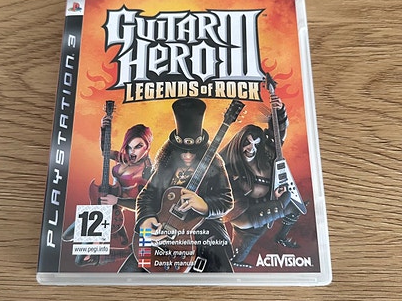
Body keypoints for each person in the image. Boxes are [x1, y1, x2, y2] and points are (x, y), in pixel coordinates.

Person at [119, 97, 234, 273]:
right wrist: (146, 220)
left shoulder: (215, 163)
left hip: (203, 231)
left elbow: (226, 200)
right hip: (160, 229)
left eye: (193, 152)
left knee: (221, 280)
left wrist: (205, 205)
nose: (187, 156)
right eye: (182, 152)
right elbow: (147, 195)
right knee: (126, 276)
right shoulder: (166, 164)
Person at [220, 94, 303, 266]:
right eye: (248, 143)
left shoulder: (266, 156)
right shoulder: (228, 170)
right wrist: (279, 205)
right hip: (248, 221)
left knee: (296, 206)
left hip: (268, 207)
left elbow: (277, 136)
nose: (251, 148)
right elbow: (240, 218)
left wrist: (279, 112)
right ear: (239, 143)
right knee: (236, 258)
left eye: (256, 144)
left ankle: (280, 236)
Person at [63, 120, 153, 266]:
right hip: (103, 206)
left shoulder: (147, 171)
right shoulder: (124, 157)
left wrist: (117, 201)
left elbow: (144, 205)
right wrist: (104, 129)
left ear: (147, 146)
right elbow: (105, 152)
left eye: (138, 146)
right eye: (129, 146)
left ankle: (129, 252)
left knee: (82, 259)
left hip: (117, 212)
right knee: (66, 236)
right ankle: (115, 237)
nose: (132, 152)